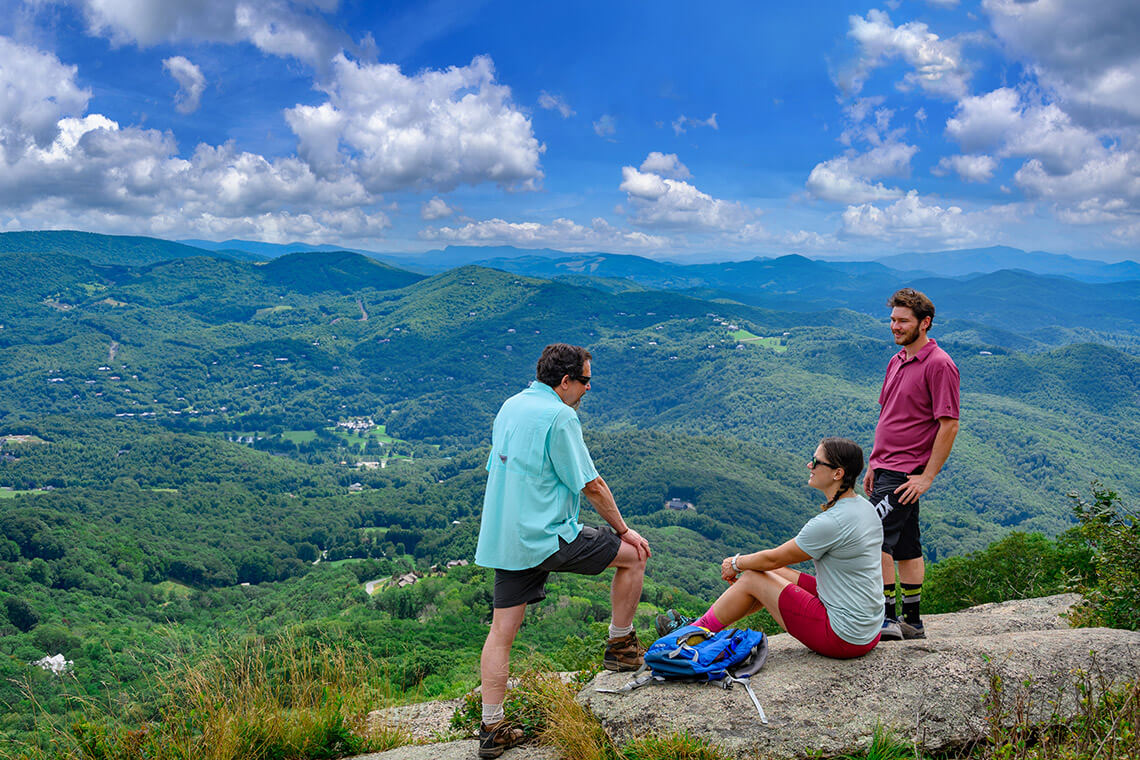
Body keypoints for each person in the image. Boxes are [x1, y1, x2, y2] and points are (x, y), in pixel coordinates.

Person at [474, 343, 651, 759]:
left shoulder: (511, 405)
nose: (589, 389)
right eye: (585, 381)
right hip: (549, 533)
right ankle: (621, 649)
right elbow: (591, 485)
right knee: (636, 555)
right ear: (566, 381)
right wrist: (623, 530)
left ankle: (491, 726)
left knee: (501, 633)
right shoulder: (560, 416)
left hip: (506, 536)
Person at [659, 438, 884, 659]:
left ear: (838, 473)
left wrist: (735, 563)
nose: (809, 466)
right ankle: (702, 631)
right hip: (867, 628)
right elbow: (774, 565)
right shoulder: (864, 507)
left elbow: (773, 559)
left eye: (816, 462)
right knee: (770, 573)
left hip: (843, 637)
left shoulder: (832, 522)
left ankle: (687, 635)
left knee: (752, 578)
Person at [864, 288, 960, 642]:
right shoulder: (898, 360)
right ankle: (913, 621)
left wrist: (927, 476)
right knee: (906, 544)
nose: (895, 326)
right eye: (892, 320)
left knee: (873, 537)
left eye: (903, 321)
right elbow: (889, 416)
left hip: (907, 472)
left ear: (925, 323)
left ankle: (886, 619)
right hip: (886, 467)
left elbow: (949, 423)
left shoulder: (939, 365)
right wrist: (874, 461)